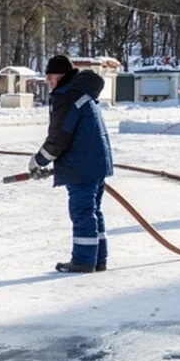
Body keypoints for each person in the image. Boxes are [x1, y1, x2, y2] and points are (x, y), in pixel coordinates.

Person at [28, 55, 114, 273]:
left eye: (51, 77)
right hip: (95, 161)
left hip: (82, 165)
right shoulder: (82, 91)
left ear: (62, 75)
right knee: (93, 211)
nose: (49, 82)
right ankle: (98, 259)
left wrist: (39, 160)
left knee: (83, 212)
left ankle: (84, 261)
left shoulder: (68, 96)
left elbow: (60, 136)